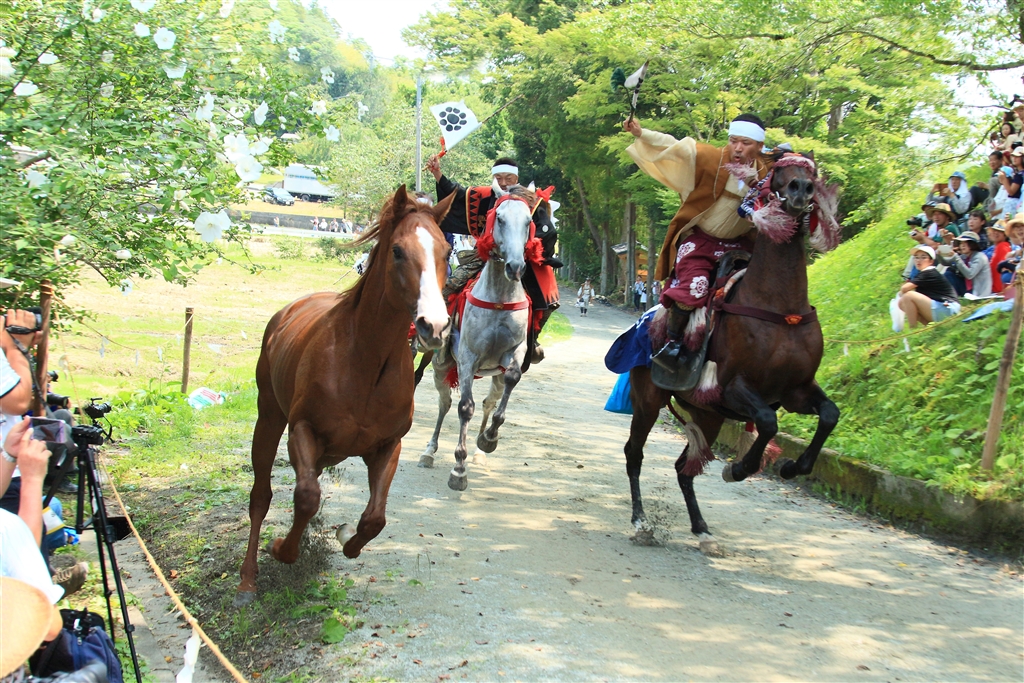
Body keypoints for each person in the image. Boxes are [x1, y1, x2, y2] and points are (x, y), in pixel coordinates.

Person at [624, 112, 771, 367]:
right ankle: (672, 343)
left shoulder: (767, 174)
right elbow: (675, 146)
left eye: (745, 143)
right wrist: (641, 133)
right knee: (695, 287)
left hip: (742, 246)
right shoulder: (710, 158)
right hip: (700, 243)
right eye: (733, 141)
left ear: (759, 146)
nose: (737, 148)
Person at [426, 153, 561, 364]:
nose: (504, 182)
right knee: (449, 288)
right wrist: (437, 173)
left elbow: (547, 232)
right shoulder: (482, 196)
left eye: (509, 178)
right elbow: (456, 194)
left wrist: (527, 249)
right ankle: (444, 338)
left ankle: (531, 339)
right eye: (499, 178)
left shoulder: (533, 202)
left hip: (522, 259)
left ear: (517, 179)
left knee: (547, 299)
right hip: (484, 256)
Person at [898, 245, 961, 328]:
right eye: (916, 257)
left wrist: (902, 293)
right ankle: (929, 327)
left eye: (923, 257)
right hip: (943, 308)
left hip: (948, 307)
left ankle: (912, 329)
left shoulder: (928, 272)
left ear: (931, 261)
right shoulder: (924, 273)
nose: (918, 260)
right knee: (902, 303)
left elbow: (904, 289)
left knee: (908, 296)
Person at [937, 231, 991, 297]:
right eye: (961, 243)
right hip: (968, 288)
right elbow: (946, 263)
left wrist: (956, 257)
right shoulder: (965, 256)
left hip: (978, 292)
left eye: (966, 243)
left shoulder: (979, 257)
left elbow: (970, 275)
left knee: (949, 275)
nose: (962, 245)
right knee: (949, 273)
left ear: (972, 244)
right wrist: (938, 255)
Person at [984, 221, 1011, 294]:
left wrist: (1003, 290)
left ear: (1005, 235)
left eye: (1000, 231)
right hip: (994, 289)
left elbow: (1005, 269)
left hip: (999, 290)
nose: (996, 233)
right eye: (994, 230)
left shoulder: (1003, 246)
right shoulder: (996, 247)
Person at [998, 148, 1023, 218]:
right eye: (1013, 156)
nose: (1014, 158)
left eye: (1017, 156)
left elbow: (1011, 192)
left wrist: (1004, 178)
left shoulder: (1020, 174)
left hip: (1015, 203)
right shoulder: (1017, 173)